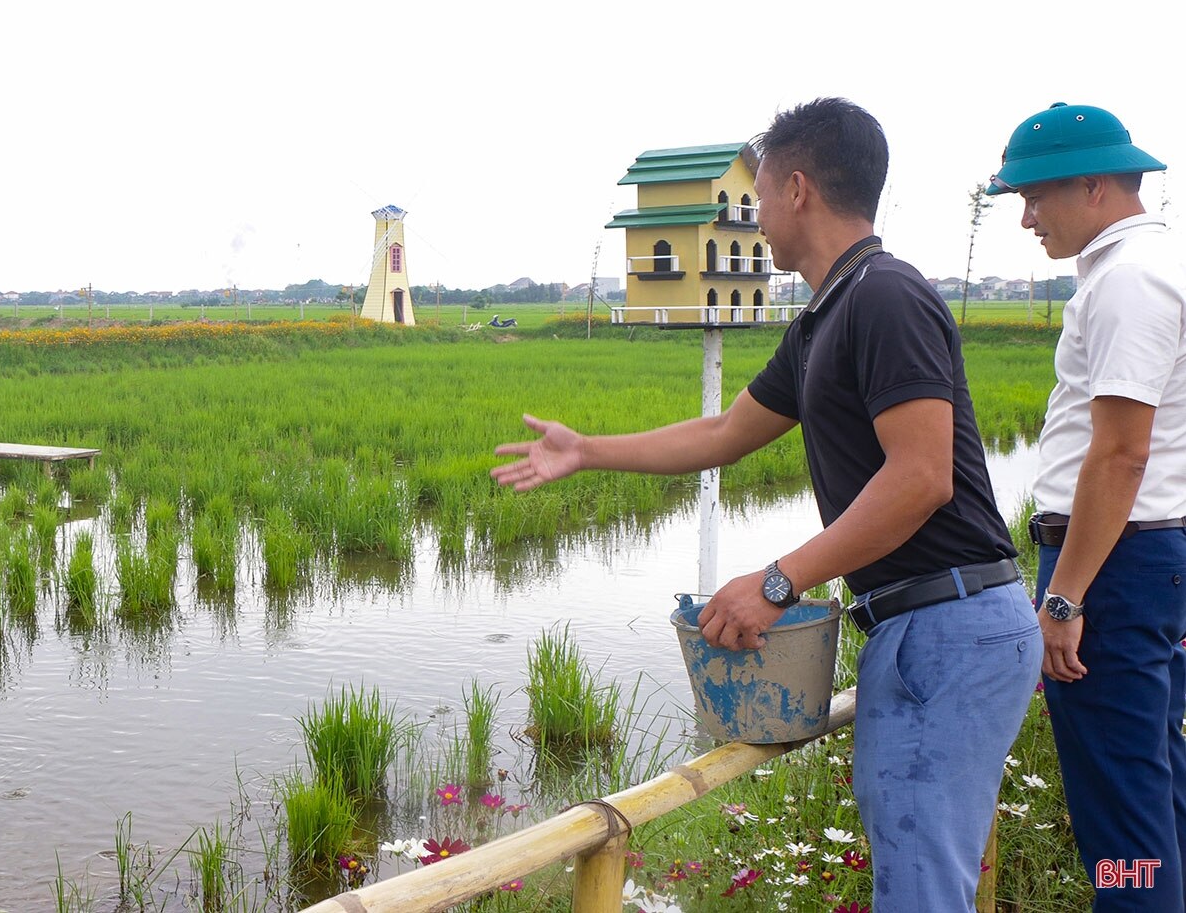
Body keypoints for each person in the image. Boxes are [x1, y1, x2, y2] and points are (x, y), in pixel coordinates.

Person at [492, 98, 1040, 911]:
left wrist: (777, 581)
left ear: (796, 189)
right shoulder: (825, 315)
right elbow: (723, 432)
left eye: (753, 200)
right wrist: (587, 450)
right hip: (920, 626)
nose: (749, 220)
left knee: (924, 891)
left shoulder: (885, 295)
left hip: (948, 629)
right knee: (921, 878)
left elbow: (922, 477)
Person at [987, 102, 1183, 910]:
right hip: (1137, 557)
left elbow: (1121, 452)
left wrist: (1064, 597)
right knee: (1152, 781)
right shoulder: (1147, 262)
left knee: (1121, 816)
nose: (1028, 217)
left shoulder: (1131, 280)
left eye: (1037, 196)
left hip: (1110, 563)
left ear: (1096, 186)